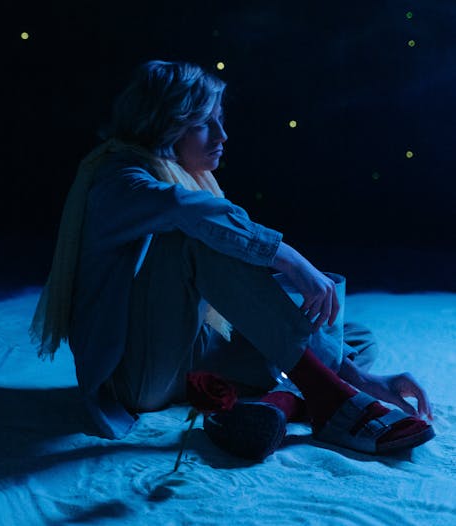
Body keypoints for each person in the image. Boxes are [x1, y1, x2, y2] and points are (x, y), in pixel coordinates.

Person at [30, 60, 434, 458]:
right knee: (193, 239)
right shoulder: (119, 180)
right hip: (135, 376)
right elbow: (192, 211)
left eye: (220, 120)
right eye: (205, 123)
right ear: (164, 123)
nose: (223, 135)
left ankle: (281, 404)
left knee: (348, 334)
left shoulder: (181, 174)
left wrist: (362, 376)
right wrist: (291, 260)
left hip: (189, 354)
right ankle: (327, 398)